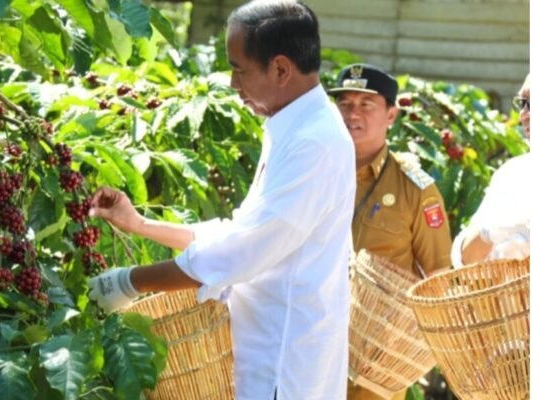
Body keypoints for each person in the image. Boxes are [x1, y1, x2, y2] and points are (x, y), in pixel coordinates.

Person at [87, 1, 356, 398]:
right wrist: (140, 225)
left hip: (283, 364)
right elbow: (242, 230)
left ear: (281, 69)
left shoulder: (314, 143)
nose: (233, 84)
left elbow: (241, 251)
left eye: (238, 69)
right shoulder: (292, 125)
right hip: (266, 352)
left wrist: (129, 282)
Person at [328, 64, 453, 400]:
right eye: (345, 104)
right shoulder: (312, 171)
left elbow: (438, 279)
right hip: (305, 349)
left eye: (366, 105)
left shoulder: (415, 189)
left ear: (391, 115)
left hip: (373, 369)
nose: (353, 113)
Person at [450, 73, 530, 267]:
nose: (524, 115)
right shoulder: (511, 174)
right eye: (523, 103)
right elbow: (465, 260)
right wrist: (489, 232)